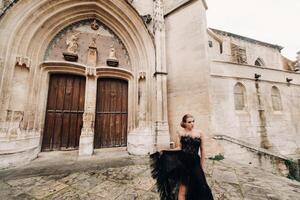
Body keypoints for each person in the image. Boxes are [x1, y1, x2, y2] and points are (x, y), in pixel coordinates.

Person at [150, 114, 214, 200]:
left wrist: (202, 166)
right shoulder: (180, 133)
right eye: (189, 122)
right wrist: (165, 151)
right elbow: (179, 147)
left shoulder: (199, 133)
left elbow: (203, 150)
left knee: (201, 186)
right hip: (183, 162)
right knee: (183, 188)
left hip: (195, 163)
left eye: (193, 121)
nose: (192, 124)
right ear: (184, 123)